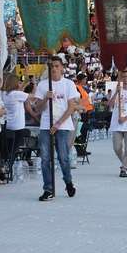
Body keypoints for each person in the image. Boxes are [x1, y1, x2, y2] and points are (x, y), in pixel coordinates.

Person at [35, 56, 79, 201]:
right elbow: (38, 108)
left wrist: (59, 123)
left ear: (61, 68)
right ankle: (47, 188)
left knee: (63, 157)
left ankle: (68, 181)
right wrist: (45, 99)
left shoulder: (68, 84)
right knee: (45, 158)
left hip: (62, 125)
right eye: (51, 66)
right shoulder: (43, 85)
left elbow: (71, 107)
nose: (54, 69)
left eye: (56, 66)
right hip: (46, 124)